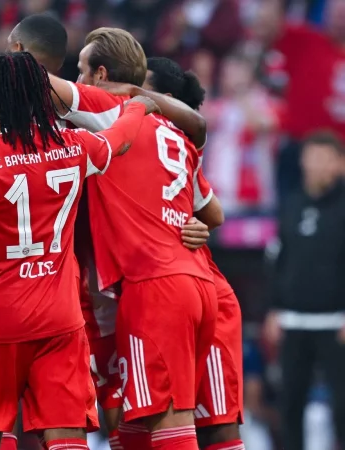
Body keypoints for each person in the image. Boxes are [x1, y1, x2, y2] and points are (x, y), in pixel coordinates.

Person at [0, 51, 158, 450]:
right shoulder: (74, 147)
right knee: (67, 438)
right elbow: (120, 140)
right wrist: (137, 106)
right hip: (60, 321)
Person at [53, 29, 217, 449]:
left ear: (101, 74)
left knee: (167, 423)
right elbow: (213, 213)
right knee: (139, 422)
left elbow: (35, 82)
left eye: (81, 71)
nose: (77, 79)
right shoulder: (172, 128)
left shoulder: (109, 108)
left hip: (152, 286)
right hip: (193, 283)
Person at [144, 56, 245, 450]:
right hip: (167, 288)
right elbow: (213, 214)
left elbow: (213, 215)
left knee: (202, 422)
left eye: (139, 85)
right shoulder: (165, 144)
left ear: (163, 100)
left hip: (182, 288)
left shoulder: (163, 142)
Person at [264, 131, 345, 450]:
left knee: (342, 406)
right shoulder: (292, 203)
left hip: (336, 323)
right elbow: (277, 258)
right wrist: (273, 308)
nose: (317, 165)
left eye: (325, 158)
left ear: (340, 163)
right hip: (293, 321)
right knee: (290, 404)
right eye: (311, 157)